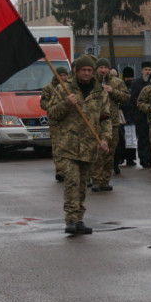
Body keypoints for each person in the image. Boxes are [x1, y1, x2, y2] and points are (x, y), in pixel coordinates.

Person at [47, 56, 111, 235]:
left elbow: (105, 118)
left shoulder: (100, 93)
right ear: (76, 71)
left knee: (83, 184)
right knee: (72, 182)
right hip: (68, 146)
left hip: (89, 146)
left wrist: (105, 139)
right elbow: (52, 113)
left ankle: (80, 219)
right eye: (84, 70)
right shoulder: (64, 89)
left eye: (90, 70)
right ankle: (71, 219)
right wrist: (66, 104)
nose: (87, 73)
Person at [92, 58, 130, 192]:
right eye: (100, 67)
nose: (103, 70)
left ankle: (105, 180)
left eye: (105, 67)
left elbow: (126, 98)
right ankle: (96, 179)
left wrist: (113, 91)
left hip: (112, 122)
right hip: (95, 122)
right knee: (97, 152)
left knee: (110, 152)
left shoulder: (117, 82)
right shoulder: (91, 82)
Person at [41, 66, 69, 182]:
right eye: (60, 75)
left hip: (67, 121)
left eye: (64, 75)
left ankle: (68, 169)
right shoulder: (49, 88)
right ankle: (60, 170)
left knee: (68, 145)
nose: (62, 77)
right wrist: (53, 106)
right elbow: (43, 102)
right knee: (57, 146)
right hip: (55, 122)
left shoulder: (70, 87)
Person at [130, 61, 151, 168]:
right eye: (146, 70)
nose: (148, 72)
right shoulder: (136, 83)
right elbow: (133, 98)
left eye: (149, 70)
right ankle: (143, 159)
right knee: (143, 138)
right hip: (141, 115)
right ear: (142, 71)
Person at [119, 66, 137, 167]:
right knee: (123, 139)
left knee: (132, 140)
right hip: (123, 116)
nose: (130, 79)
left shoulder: (134, 86)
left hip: (132, 117)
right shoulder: (121, 86)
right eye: (128, 77)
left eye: (131, 77)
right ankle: (122, 158)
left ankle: (131, 159)